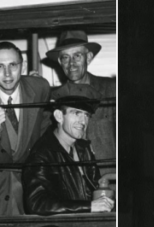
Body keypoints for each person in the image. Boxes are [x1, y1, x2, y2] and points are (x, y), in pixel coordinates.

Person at [0, 41, 52, 216]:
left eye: (12, 65)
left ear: (22, 67)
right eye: (0, 67)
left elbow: (45, 127)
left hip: (30, 183)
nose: (7, 74)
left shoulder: (40, 87)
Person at [23, 96, 113, 215]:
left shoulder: (83, 148)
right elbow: (37, 203)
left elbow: (93, 186)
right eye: (76, 113)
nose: (83, 121)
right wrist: (89, 206)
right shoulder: (42, 154)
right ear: (59, 116)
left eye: (86, 115)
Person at [48, 30, 116, 181]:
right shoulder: (55, 97)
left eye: (77, 56)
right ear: (60, 62)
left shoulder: (111, 89)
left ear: (89, 57)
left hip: (109, 181)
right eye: (65, 57)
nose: (71, 64)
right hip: (72, 184)